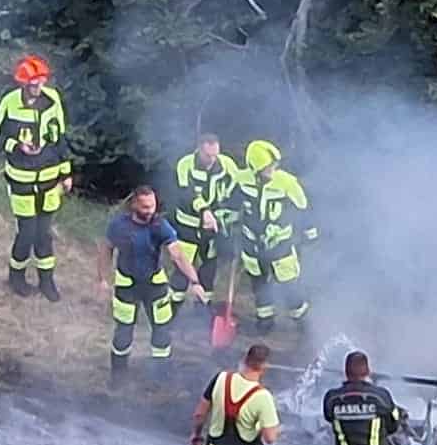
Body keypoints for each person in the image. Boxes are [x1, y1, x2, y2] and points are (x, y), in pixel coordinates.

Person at [95, 186, 204, 380]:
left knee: (162, 329)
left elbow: (177, 255)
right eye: (145, 207)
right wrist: (103, 279)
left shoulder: (160, 225)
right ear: (134, 205)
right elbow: (106, 250)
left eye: (152, 206)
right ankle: (118, 377)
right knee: (123, 332)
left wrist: (194, 281)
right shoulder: (119, 225)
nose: (150, 211)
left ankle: (159, 376)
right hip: (127, 285)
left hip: (155, 284)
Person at [0, 55, 71, 300]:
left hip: (50, 178)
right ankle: (16, 277)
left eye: (41, 81)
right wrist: (16, 146)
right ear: (23, 83)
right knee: (27, 233)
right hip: (21, 179)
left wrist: (66, 172)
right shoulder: (9, 103)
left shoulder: (52, 99)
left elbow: (60, 138)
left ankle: (47, 282)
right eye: (34, 83)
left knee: (44, 233)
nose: (38, 87)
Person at [234, 138, 317, 332]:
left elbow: (303, 208)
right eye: (267, 167)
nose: (271, 170)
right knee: (259, 282)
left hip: (280, 244)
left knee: (289, 285)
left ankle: (301, 320)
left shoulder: (287, 183)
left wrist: (309, 233)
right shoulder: (241, 179)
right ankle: (265, 319)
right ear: (255, 168)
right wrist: (227, 225)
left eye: (273, 165)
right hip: (251, 244)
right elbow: (231, 203)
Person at [168, 133, 241, 312]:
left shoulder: (227, 165)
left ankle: (201, 309)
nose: (212, 159)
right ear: (199, 148)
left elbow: (236, 191)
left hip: (213, 229)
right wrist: (204, 211)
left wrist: (229, 216)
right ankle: (171, 310)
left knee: (209, 268)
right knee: (182, 269)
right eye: (208, 155)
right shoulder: (185, 165)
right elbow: (187, 193)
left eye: (215, 155)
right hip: (188, 227)